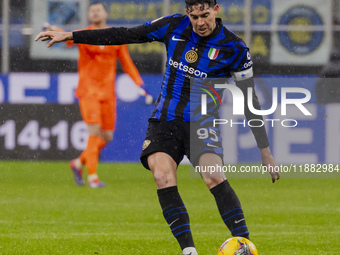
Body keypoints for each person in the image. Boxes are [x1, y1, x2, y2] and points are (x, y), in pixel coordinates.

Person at [36, 0, 281, 253]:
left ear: (216, 10)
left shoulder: (235, 47)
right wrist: (72, 35)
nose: (200, 22)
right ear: (188, 12)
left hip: (202, 123)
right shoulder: (173, 26)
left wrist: (265, 150)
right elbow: (124, 34)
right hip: (164, 121)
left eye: (205, 15)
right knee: (162, 176)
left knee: (213, 177)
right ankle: (188, 250)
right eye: (195, 16)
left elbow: (250, 99)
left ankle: (245, 245)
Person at [46, 2, 151, 188]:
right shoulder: (83, 34)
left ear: (105, 13)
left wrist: (139, 85)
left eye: (98, 9)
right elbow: (67, 39)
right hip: (88, 92)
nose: (95, 12)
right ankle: (92, 177)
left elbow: (126, 62)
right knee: (94, 132)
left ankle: (78, 163)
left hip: (108, 94)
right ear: (88, 15)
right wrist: (54, 30)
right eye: (92, 10)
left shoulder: (115, 36)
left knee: (107, 136)